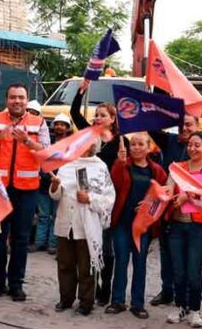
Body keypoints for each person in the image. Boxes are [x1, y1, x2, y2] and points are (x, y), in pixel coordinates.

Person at [0, 84, 50, 302]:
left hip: (27, 190)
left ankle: (16, 285)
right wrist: (0, 137)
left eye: (21, 98)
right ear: (6, 100)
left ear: (26, 100)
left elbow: (47, 153)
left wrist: (27, 141)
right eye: (13, 97)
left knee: (21, 239)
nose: (17, 101)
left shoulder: (38, 122)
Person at [71, 80, 130, 306]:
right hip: (87, 198)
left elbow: (127, 171)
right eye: (96, 114)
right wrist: (81, 91)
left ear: (113, 119)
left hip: (108, 200)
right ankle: (91, 288)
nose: (97, 118)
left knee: (106, 248)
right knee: (89, 244)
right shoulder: (89, 135)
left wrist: (123, 161)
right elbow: (74, 113)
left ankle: (105, 290)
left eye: (102, 115)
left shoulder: (122, 141)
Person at [165, 131, 202, 328]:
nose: (192, 148)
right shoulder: (177, 168)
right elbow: (168, 188)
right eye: (190, 145)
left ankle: (195, 309)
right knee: (178, 270)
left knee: (193, 271)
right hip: (177, 224)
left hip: (200, 227)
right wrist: (163, 196)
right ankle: (180, 306)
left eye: (197, 145)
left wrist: (189, 196)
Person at [50, 143, 116, 316]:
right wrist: (55, 186)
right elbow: (56, 195)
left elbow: (109, 198)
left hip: (87, 225)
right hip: (66, 222)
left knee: (86, 266)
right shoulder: (66, 164)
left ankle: (86, 302)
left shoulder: (100, 167)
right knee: (65, 264)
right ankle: (66, 299)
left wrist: (90, 198)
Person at [107, 133, 167, 319]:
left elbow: (165, 195)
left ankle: (137, 303)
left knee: (140, 263)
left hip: (143, 226)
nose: (136, 147)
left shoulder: (156, 170)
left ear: (149, 148)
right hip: (123, 223)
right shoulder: (123, 164)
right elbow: (114, 184)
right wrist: (119, 163)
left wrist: (150, 205)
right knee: (121, 260)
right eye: (133, 144)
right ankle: (117, 300)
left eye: (141, 144)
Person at [33, 113, 72, 254]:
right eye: (57, 124)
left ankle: (53, 244)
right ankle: (39, 242)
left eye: (62, 125)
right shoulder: (46, 142)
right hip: (44, 185)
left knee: (56, 216)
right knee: (43, 216)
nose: (59, 127)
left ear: (67, 128)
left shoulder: (69, 146)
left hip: (60, 186)